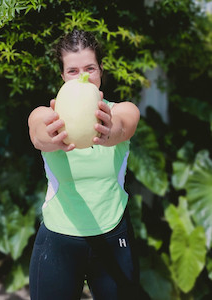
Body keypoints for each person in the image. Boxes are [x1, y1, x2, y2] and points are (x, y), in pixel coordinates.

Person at [28, 29, 140, 300]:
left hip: (113, 236)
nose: (83, 76)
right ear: (62, 76)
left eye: (90, 68)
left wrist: (107, 132)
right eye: (73, 71)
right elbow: (37, 133)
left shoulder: (121, 111)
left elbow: (122, 127)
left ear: (101, 70)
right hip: (58, 240)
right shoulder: (46, 115)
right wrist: (54, 135)